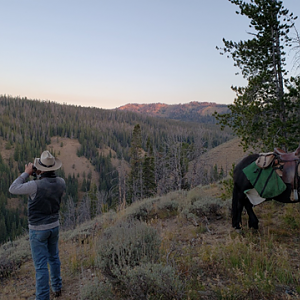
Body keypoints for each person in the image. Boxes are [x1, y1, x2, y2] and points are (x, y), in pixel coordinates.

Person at [9, 150, 66, 300]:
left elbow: (13, 188)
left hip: (38, 230)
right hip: (54, 226)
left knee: (41, 266)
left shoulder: (34, 185)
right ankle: (57, 287)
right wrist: (39, 174)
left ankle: (42, 297)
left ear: (41, 169)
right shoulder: (61, 182)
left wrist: (26, 173)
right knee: (54, 258)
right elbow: (49, 187)